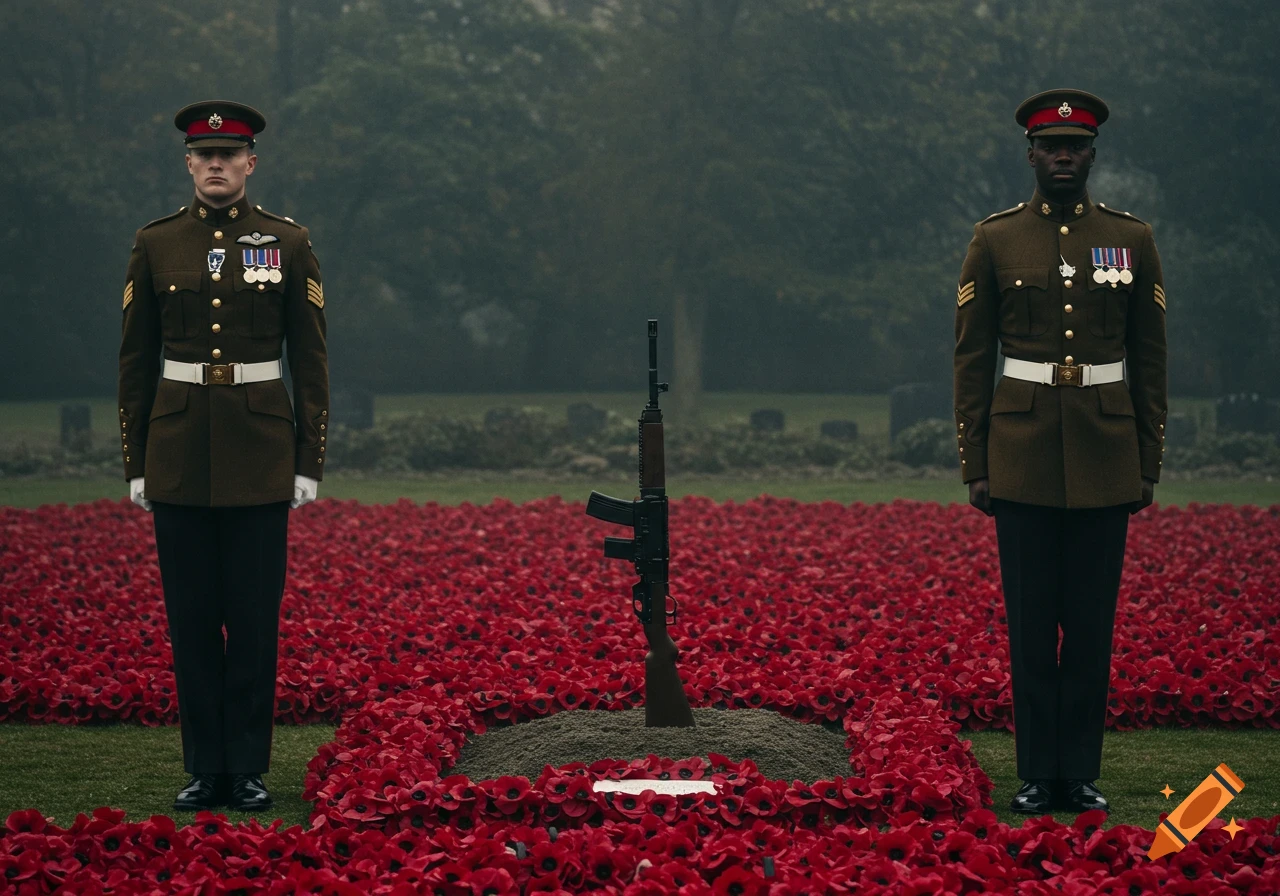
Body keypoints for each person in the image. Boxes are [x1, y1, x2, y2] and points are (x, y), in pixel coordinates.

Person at [952, 89, 1167, 815]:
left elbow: (1150, 357)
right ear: (1032, 156)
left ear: (1092, 156)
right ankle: (1038, 774)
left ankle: (1079, 773)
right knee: (1031, 628)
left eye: (1075, 147)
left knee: (1091, 629)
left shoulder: (1130, 239)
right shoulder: (995, 238)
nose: (1064, 157)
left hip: (1107, 457)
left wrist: (1147, 461)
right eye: (1051, 147)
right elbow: (972, 357)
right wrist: (975, 462)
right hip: (1021, 456)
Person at [117, 100, 330, 812]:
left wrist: (308, 460)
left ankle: (247, 768)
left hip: (260, 457)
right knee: (191, 622)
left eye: (229, 154)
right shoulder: (157, 243)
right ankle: (205, 768)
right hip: (176, 454)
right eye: (204, 155)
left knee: (253, 623)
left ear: (250, 163)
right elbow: (136, 361)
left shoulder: (287, 242)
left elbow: (311, 359)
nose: (216, 165)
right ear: (188, 163)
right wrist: (136, 461)